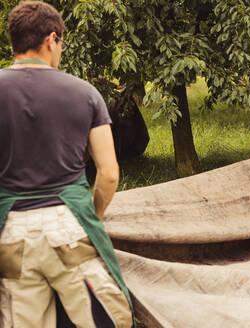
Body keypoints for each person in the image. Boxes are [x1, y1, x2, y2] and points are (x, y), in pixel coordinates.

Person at [0, 2, 134, 327]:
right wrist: (92, 218)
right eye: (60, 42)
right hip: (68, 230)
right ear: (50, 40)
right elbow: (109, 175)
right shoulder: (85, 93)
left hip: (11, 235)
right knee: (107, 319)